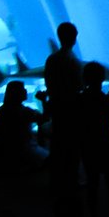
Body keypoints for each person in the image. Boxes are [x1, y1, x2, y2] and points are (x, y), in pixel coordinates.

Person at [77, 61, 109, 217]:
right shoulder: (106, 99)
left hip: (88, 146)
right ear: (103, 78)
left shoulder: (80, 98)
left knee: (92, 184)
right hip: (106, 145)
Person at [43, 22, 84, 193]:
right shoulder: (73, 61)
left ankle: (55, 181)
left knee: (57, 144)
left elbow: (48, 82)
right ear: (74, 38)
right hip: (71, 108)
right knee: (72, 146)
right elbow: (79, 86)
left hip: (56, 106)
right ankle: (72, 181)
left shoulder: (52, 59)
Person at [0, 81, 46, 172]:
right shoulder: (24, 111)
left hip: (7, 149)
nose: (25, 91)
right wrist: (43, 100)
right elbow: (44, 118)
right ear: (17, 93)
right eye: (23, 89)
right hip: (24, 149)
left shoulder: (2, 109)